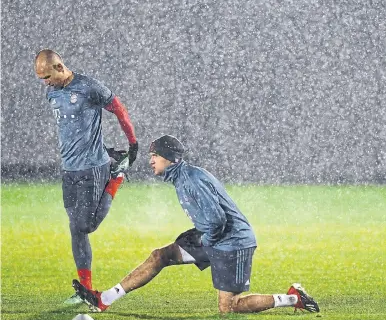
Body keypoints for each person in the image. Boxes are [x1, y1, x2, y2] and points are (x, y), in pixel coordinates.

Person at [73, 135, 320, 314]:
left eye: (155, 155)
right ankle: (104, 299)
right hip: (214, 236)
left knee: (230, 308)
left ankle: (293, 298)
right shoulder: (184, 175)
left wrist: (208, 245)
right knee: (160, 256)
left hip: (232, 243)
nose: (151, 161)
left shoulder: (190, 179)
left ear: (169, 158)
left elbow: (217, 220)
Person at [34, 49, 139, 305]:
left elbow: (119, 109)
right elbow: (76, 131)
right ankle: (85, 290)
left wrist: (132, 143)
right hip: (68, 170)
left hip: (93, 168)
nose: (45, 83)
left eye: (47, 76)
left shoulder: (89, 87)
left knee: (86, 226)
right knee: (76, 229)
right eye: (41, 79)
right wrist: (106, 148)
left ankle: (117, 176)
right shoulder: (52, 93)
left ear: (59, 67)